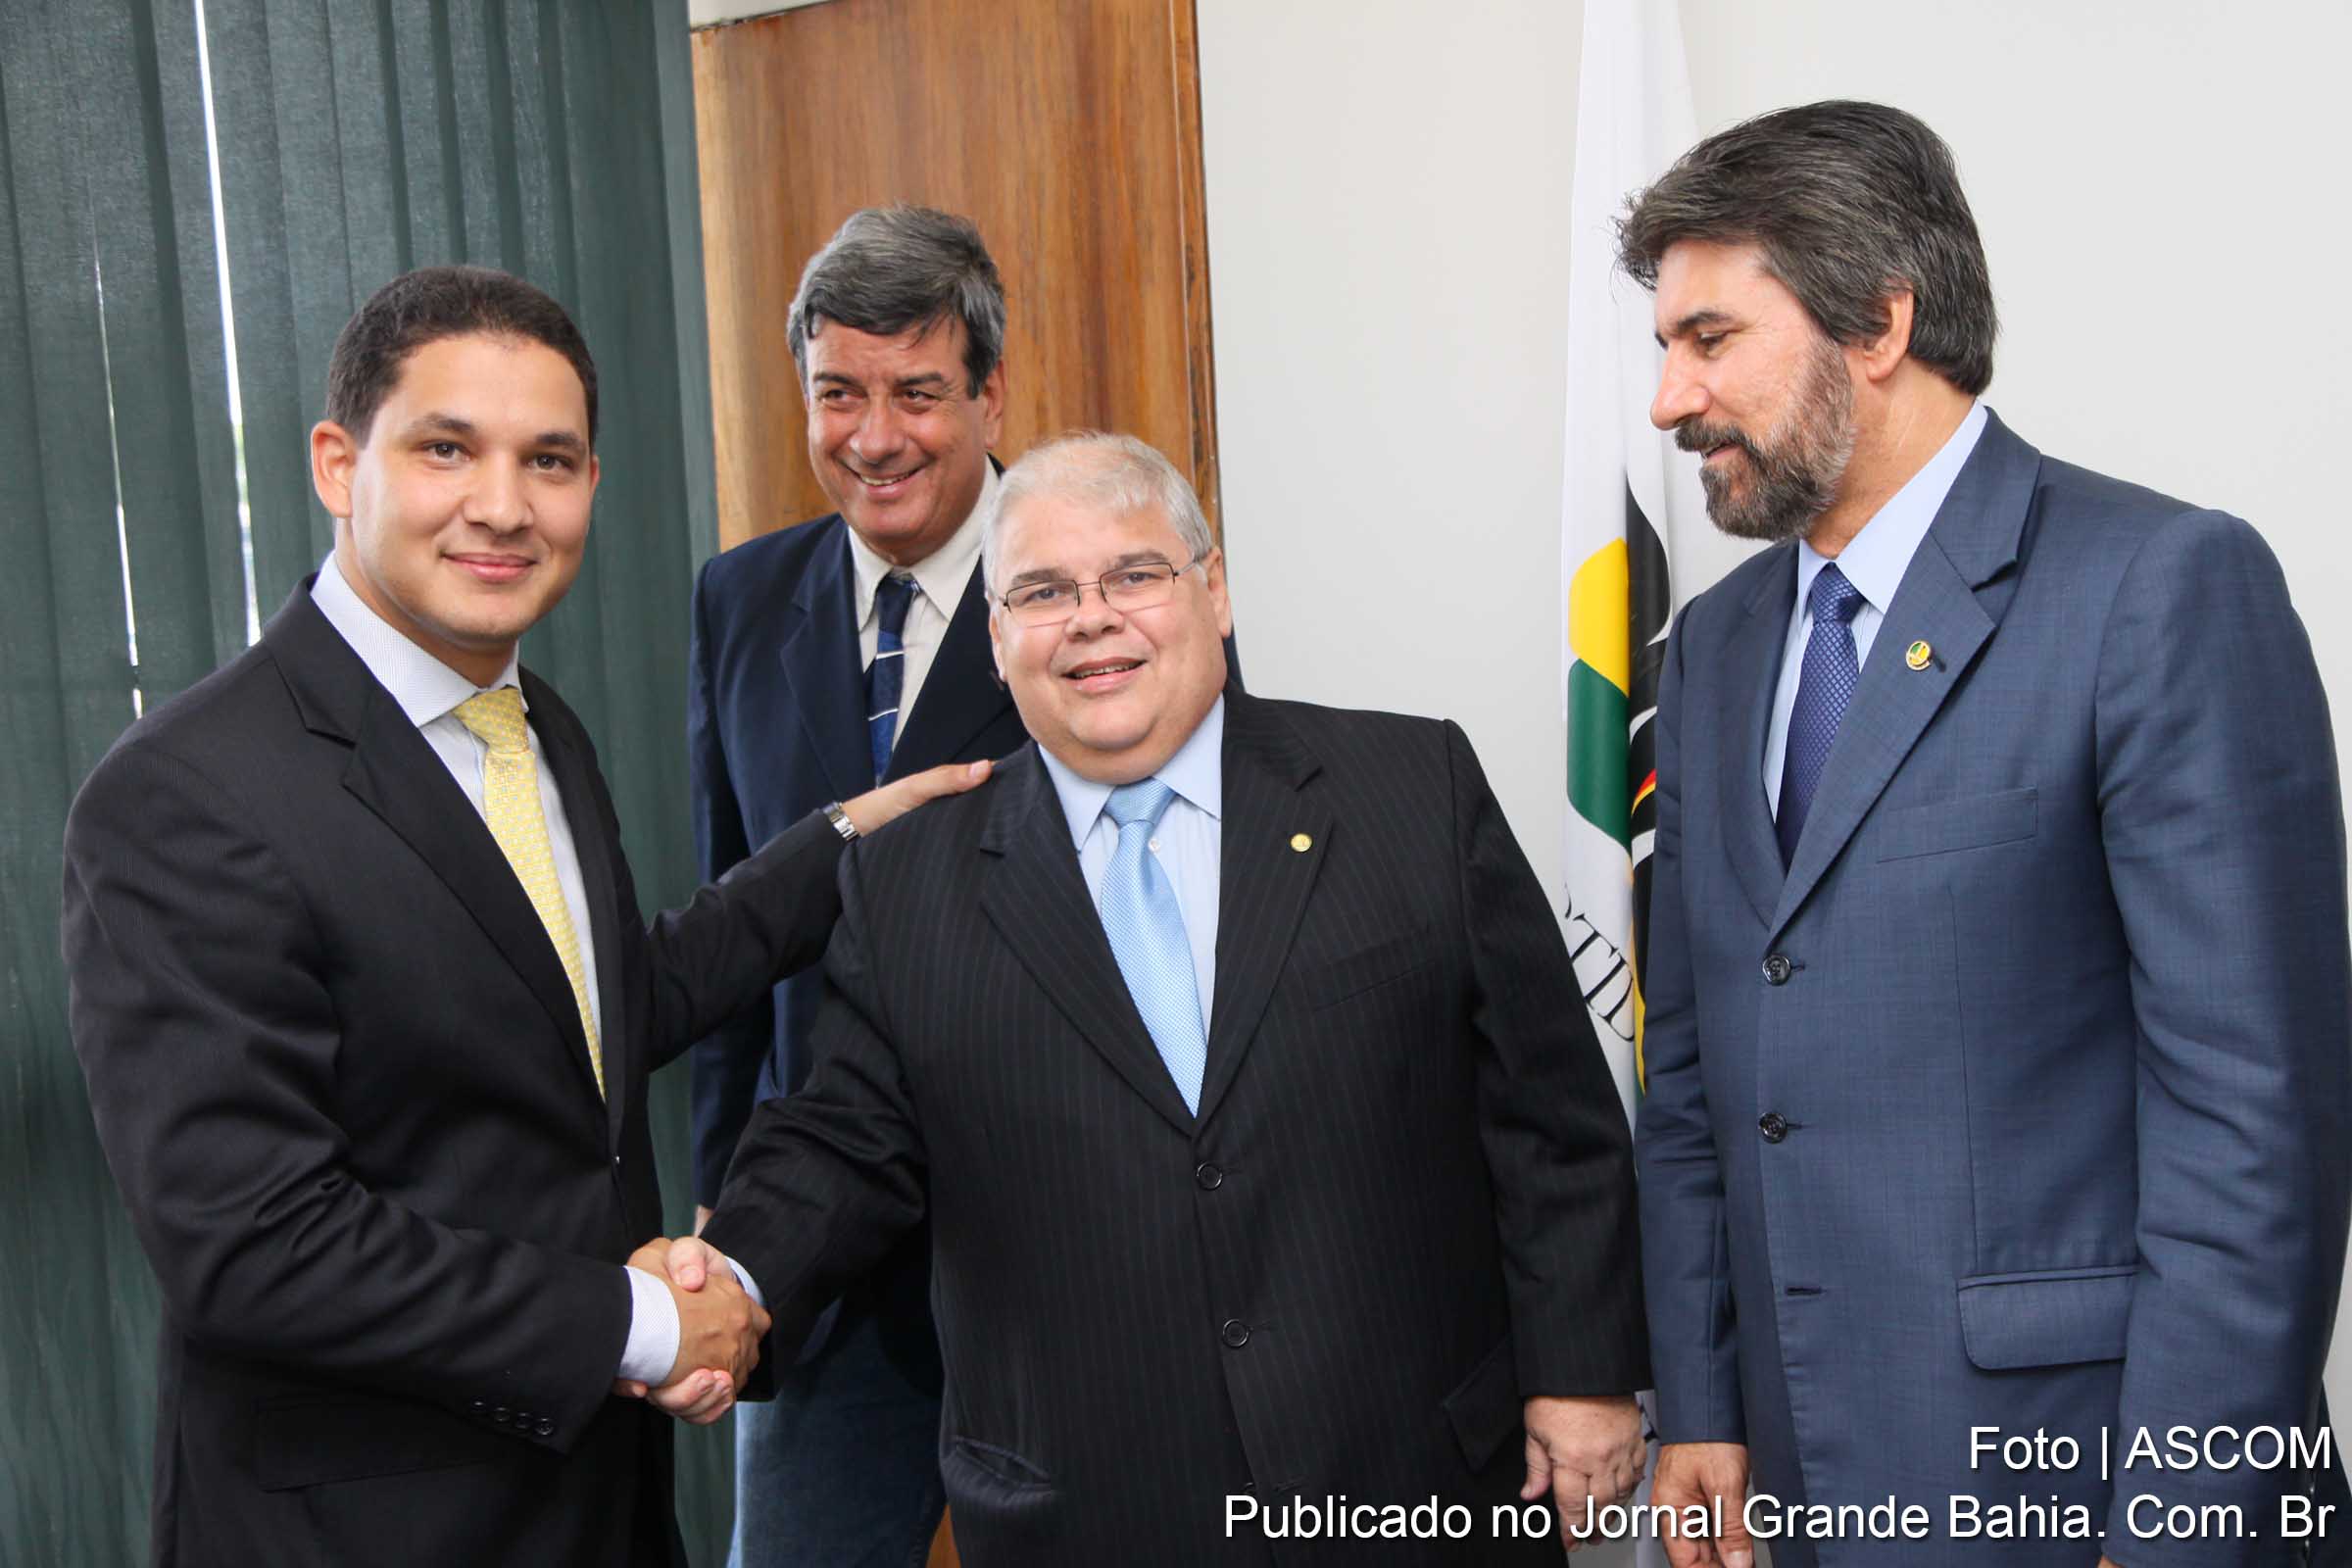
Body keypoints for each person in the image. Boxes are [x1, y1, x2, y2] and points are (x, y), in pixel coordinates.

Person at [60, 265, 983, 1568]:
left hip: (596, 1506)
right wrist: (645, 1324)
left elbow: (585, 1014)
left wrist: (835, 847)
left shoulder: (534, 727)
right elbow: (257, 1242)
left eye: (549, 460)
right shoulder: (184, 795)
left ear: (592, 486)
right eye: (448, 449)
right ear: (339, 462)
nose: (504, 506)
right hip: (367, 1528)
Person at [671, 431, 1648, 1566]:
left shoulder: (1409, 791)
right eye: (1041, 591)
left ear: (1214, 591)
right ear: (995, 640)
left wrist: (1582, 1374)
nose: (1093, 617)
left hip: (1412, 1487)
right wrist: (728, 1278)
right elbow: (835, 1145)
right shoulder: (904, 887)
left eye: (1134, 573)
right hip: (1093, 1517)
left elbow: (1553, 1120)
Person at [1624, 101, 2352, 1568]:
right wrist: (1702, 1398)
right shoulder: (1709, 650)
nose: (1667, 400)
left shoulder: (2159, 587)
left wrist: (2178, 1524)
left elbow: (2254, 1119)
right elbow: (1697, 1070)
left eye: (1710, 340)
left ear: (1879, 323)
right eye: (1663, 348)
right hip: (1802, 1486)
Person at [686, 204, 1031, 1567]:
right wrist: (723, 1189)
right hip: (815, 1261)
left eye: (918, 394)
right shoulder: (739, 596)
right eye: (839, 393)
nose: (874, 438)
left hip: (1051, 1247)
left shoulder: (1100, 577)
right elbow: (727, 925)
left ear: (992, 393)